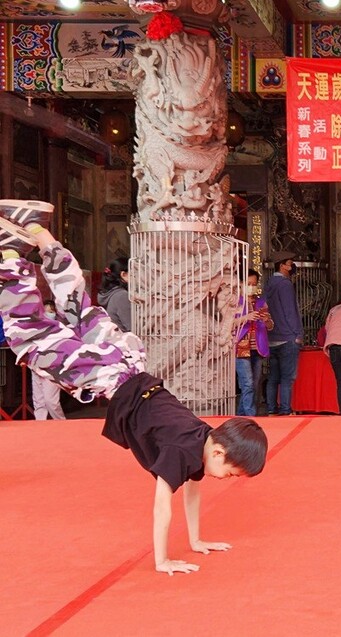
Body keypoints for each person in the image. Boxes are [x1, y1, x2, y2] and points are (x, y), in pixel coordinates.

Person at [0, 199, 268, 575]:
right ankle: (9, 252)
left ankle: (39, 232)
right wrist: (162, 560)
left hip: (127, 360)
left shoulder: (202, 438)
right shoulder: (182, 450)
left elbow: (192, 491)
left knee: (79, 305)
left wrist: (195, 540)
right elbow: (164, 503)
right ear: (220, 453)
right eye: (231, 473)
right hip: (107, 374)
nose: (226, 480)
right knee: (28, 338)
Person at [264, 256, 303, 416]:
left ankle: (271, 409)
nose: (292, 266)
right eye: (290, 264)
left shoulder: (268, 284)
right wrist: (297, 334)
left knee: (273, 377)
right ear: (282, 266)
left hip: (272, 337)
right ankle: (285, 410)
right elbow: (290, 312)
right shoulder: (285, 284)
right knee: (287, 378)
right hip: (287, 336)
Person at [234, 269, 273, 417]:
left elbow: (270, 326)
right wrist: (246, 317)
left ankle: (240, 418)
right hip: (241, 347)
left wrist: (267, 321)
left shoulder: (261, 302)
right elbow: (228, 323)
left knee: (254, 385)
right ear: (241, 284)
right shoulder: (234, 301)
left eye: (254, 284)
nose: (252, 287)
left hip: (258, 347)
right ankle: (251, 418)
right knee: (248, 384)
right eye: (249, 284)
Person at [29, 298, 67, 421]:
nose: (49, 314)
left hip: (53, 368)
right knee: (39, 401)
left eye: (51, 311)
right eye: (45, 311)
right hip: (36, 366)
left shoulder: (61, 329)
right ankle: (40, 427)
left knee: (51, 401)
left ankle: (62, 423)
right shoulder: (34, 328)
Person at [97, 256, 132, 332]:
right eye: (135, 273)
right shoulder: (122, 296)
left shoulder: (110, 294)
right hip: (124, 340)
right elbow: (132, 327)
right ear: (124, 275)